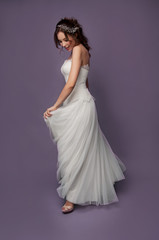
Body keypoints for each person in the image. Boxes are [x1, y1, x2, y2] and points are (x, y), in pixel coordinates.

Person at [43, 17, 126, 214]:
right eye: (60, 41)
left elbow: (71, 84)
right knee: (80, 147)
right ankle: (88, 185)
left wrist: (55, 105)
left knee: (76, 151)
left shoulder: (79, 50)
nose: (63, 44)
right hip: (80, 103)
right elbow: (84, 82)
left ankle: (71, 198)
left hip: (80, 104)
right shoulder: (83, 52)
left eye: (65, 40)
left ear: (74, 34)